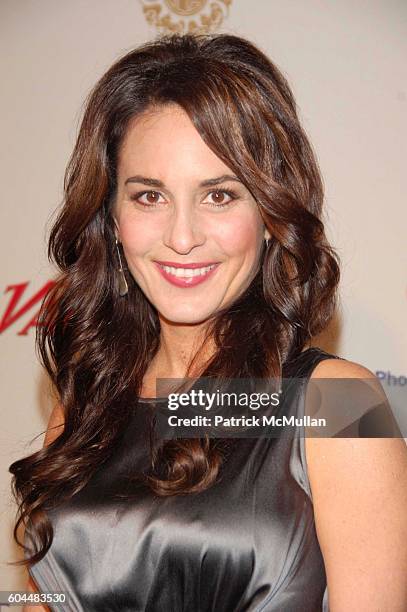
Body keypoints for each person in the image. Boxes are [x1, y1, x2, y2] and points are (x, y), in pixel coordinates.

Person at [9, 33, 407, 611]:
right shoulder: (85, 407)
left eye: (219, 196)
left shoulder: (340, 404)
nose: (182, 236)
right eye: (149, 196)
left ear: (270, 215)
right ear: (112, 219)